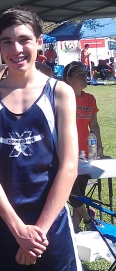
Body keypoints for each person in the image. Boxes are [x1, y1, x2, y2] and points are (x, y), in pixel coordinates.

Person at [0, 7, 83, 271]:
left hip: (51, 226)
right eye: (7, 42)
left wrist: (38, 230)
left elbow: (69, 165)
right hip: (5, 225)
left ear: (38, 42)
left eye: (24, 40)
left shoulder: (59, 92)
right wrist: (17, 229)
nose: (16, 49)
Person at [63, 61, 110, 232]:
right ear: (68, 79)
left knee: (80, 192)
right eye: (79, 75)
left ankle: (75, 231)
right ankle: (89, 219)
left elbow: (94, 125)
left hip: (85, 152)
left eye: (85, 73)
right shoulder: (61, 97)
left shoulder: (90, 99)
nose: (84, 78)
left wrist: (99, 148)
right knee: (70, 191)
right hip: (65, 153)